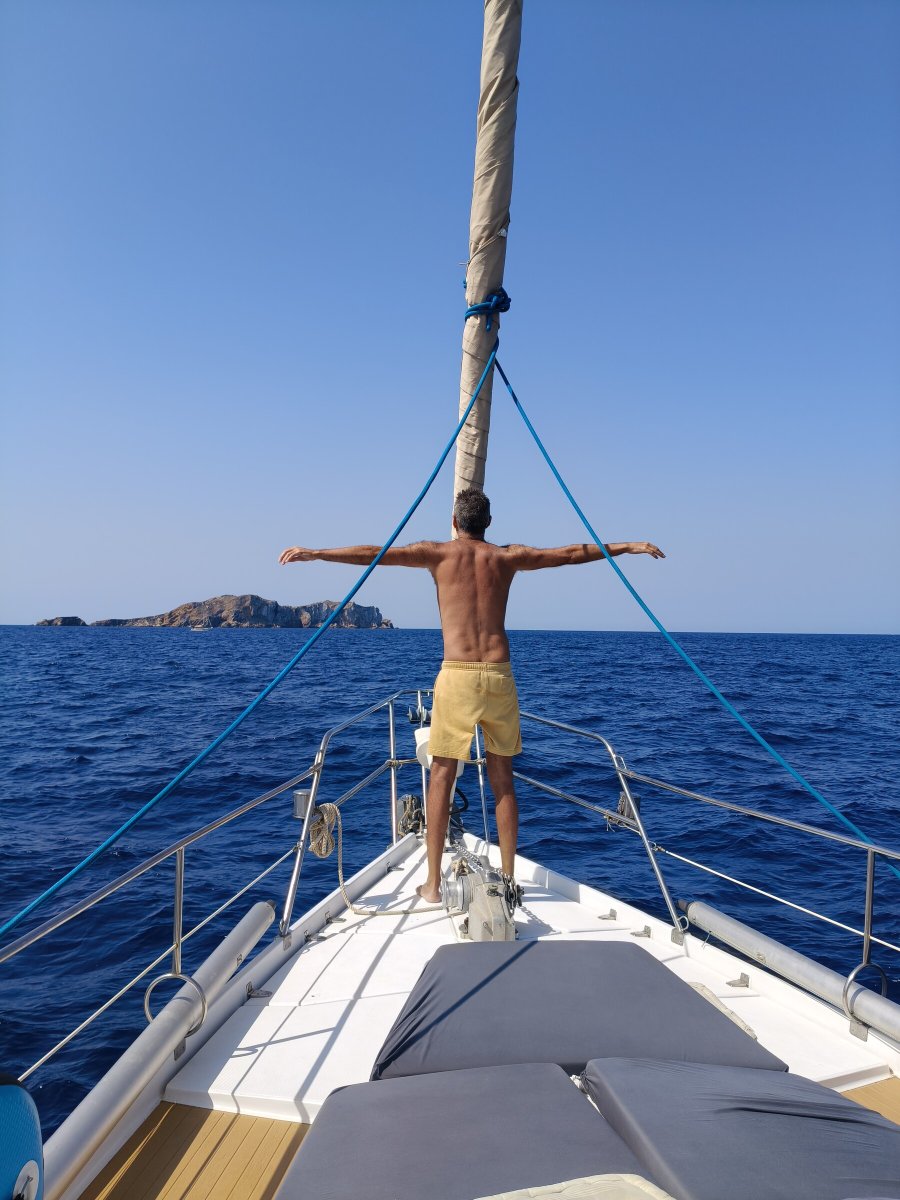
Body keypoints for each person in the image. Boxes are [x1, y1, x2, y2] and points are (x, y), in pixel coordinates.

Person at [279, 487, 664, 905]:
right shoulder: (507, 557)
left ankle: (432, 885)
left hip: (458, 676)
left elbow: (375, 553)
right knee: (503, 780)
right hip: (499, 675)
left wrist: (317, 553)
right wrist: (627, 546)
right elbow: (570, 554)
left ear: (454, 522)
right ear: (489, 523)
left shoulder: (436, 554)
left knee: (441, 776)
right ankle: (509, 878)